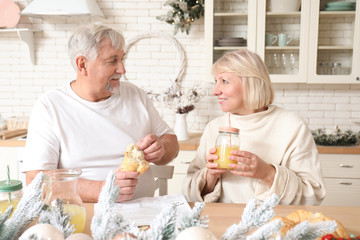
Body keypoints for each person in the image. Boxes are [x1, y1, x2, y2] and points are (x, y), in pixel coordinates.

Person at [23, 24, 179, 203]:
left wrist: (162, 148)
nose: (122, 70)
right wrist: (101, 190)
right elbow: (35, 180)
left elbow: (171, 141)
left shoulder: (135, 95)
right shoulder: (50, 107)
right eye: (112, 61)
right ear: (82, 65)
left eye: (122, 59)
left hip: (143, 214)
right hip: (83, 214)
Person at [182, 49, 326, 205]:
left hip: (276, 222)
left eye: (224, 81)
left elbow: (313, 194)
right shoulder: (214, 128)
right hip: (222, 221)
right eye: (215, 82)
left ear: (251, 83)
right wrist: (210, 176)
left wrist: (267, 174)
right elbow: (189, 194)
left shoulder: (293, 127)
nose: (215, 91)